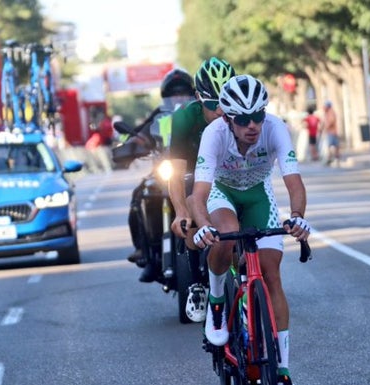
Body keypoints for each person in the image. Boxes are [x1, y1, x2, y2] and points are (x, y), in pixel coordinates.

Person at [189, 74, 310, 385]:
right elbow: (199, 193)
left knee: (271, 273)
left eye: (257, 115)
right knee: (226, 234)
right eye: (243, 119)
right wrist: (203, 227)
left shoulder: (275, 128)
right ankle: (217, 303)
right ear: (229, 119)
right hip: (223, 192)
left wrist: (297, 216)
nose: (252, 125)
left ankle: (282, 369)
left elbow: (294, 182)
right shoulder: (214, 134)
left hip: (258, 193)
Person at [148, 57, 235, 297]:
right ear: (198, 98)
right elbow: (175, 172)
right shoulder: (184, 118)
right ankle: (196, 281)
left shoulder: (240, 114)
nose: (221, 111)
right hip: (194, 172)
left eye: (226, 102)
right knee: (190, 213)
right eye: (213, 104)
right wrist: (182, 212)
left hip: (228, 173)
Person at [125, 68, 197, 278]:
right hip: (163, 168)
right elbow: (140, 134)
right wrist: (131, 146)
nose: (178, 98)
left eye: (183, 93)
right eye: (174, 94)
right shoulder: (158, 115)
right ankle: (144, 249)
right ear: (166, 96)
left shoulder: (196, 112)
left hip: (192, 170)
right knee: (140, 195)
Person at [323, 100, 340, 165]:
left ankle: (332, 158)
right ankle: (331, 158)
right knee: (332, 146)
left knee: (332, 146)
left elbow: (331, 121)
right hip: (331, 132)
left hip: (332, 132)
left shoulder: (331, 112)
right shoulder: (327, 112)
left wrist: (326, 127)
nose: (324, 108)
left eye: (325, 106)